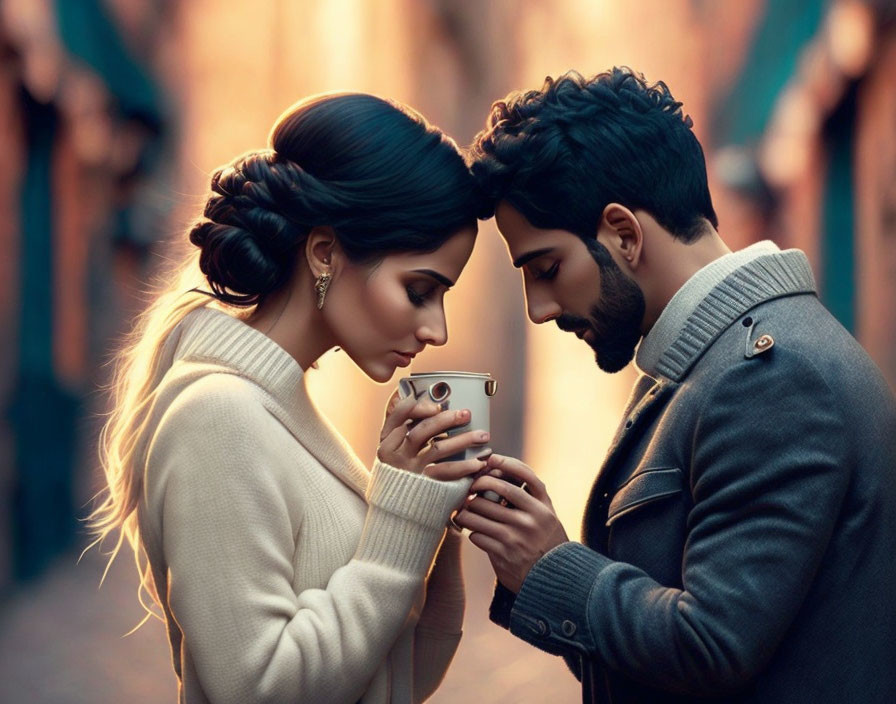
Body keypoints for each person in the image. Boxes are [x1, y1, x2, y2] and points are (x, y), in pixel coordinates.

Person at [456, 67, 896, 703]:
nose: (538, 308)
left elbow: (711, 645)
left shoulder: (772, 379)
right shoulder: (710, 367)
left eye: (547, 268)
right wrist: (537, 557)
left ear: (625, 234)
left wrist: (556, 567)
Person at [87, 92, 491, 704]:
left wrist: (430, 518)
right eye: (419, 290)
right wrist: (396, 525)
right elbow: (259, 689)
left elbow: (397, 677)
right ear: (325, 252)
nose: (437, 330)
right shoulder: (218, 417)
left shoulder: (283, 414)